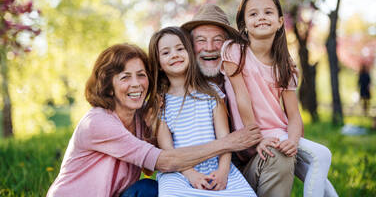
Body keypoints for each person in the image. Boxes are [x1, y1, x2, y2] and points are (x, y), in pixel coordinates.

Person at [47, 43, 262, 197]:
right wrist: (229, 143)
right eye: (125, 77)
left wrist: (154, 122)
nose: (136, 84)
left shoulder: (139, 120)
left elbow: (150, 169)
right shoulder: (97, 123)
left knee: (152, 189)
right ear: (108, 87)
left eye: (141, 75)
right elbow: (165, 162)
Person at [221, 0, 337, 197]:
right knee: (322, 156)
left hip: (281, 133)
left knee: (313, 169)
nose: (261, 18)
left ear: (280, 21)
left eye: (268, 12)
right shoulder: (234, 50)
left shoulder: (286, 65)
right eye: (253, 14)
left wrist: (292, 141)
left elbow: (293, 115)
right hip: (256, 133)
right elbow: (242, 98)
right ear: (244, 24)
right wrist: (256, 139)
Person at [182, 3, 295, 196]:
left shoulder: (245, 76)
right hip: (191, 177)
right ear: (190, 46)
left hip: (244, 168)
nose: (209, 48)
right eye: (201, 40)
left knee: (277, 155)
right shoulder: (178, 87)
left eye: (218, 40)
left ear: (228, 45)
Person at [149, 26, 256, 196]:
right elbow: (168, 151)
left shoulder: (211, 93)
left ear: (189, 53)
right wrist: (191, 174)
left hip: (216, 165)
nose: (174, 55)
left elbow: (226, 140)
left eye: (180, 49)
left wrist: (223, 171)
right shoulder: (161, 104)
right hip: (180, 171)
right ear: (159, 64)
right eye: (166, 53)